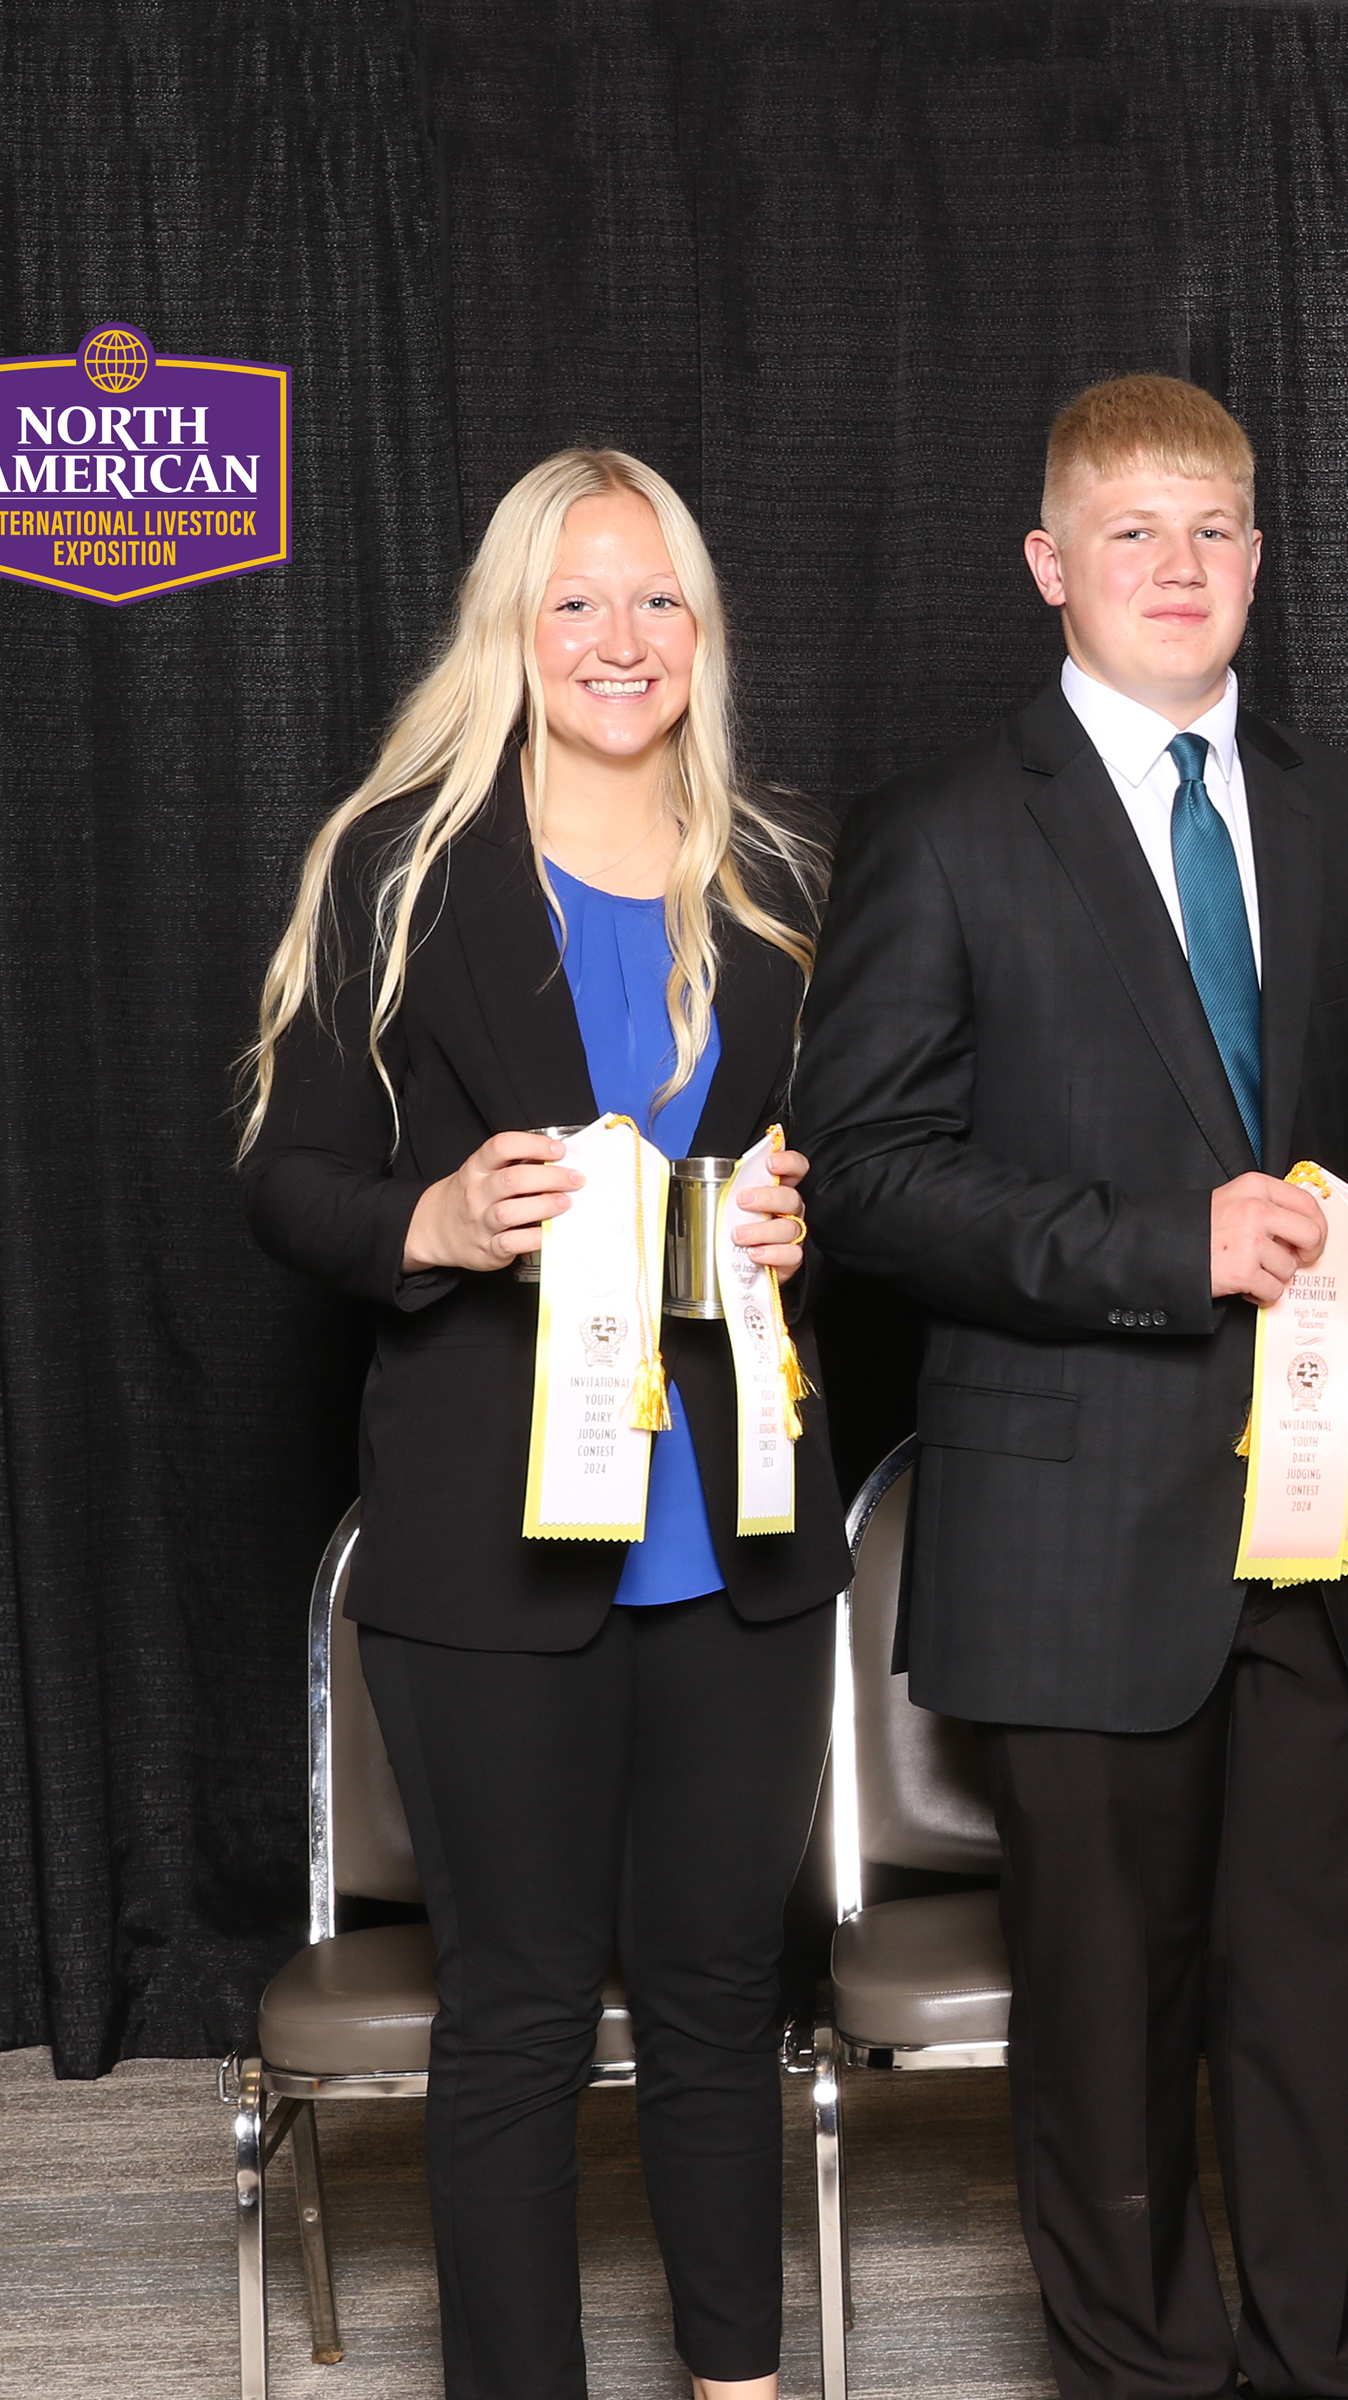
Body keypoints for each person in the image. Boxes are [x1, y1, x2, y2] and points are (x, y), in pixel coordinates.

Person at [791, 375, 1348, 2400]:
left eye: (1213, 534)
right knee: (1104, 2026)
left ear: (1259, 563)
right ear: (1050, 568)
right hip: (1077, 1525)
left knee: (1318, 2000)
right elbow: (871, 1177)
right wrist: (1154, 1246)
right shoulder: (941, 831)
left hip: (1340, 1519)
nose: (1176, 571)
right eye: (1131, 536)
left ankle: (1330, 2364)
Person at [240, 447, 844, 2400]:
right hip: (489, 1553)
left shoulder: (776, 880)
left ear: (703, 632)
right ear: (512, 624)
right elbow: (288, 1175)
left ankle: (735, 2383)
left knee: (716, 1999)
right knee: (510, 2013)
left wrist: (799, 1211)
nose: (618, 637)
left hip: (735, 1542)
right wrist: (426, 1217)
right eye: (575, 598)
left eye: (657, 597)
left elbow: (853, 1174)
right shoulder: (395, 865)